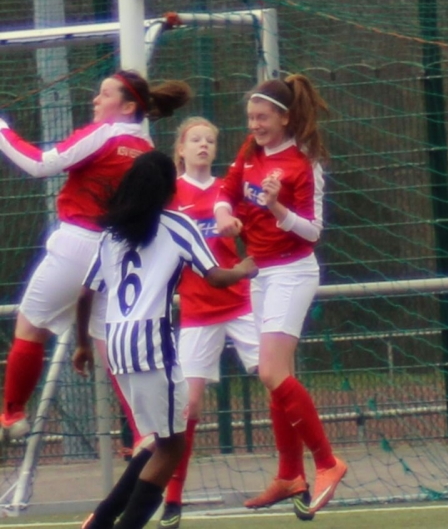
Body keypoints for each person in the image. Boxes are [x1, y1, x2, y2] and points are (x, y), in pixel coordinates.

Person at [0, 71, 191, 444]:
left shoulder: (105, 134)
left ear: (128, 106)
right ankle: (146, 435)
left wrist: (3, 131)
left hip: (78, 246)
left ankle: (12, 414)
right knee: (112, 350)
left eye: (104, 94)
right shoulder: (147, 148)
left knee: (30, 325)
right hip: (120, 255)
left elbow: (40, 164)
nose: (96, 100)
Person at [73, 150, 258, 529]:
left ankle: (100, 520)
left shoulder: (111, 235)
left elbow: (84, 294)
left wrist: (82, 345)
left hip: (118, 346)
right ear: (167, 187)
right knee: (173, 447)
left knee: (157, 440)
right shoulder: (177, 225)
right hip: (152, 346)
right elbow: (214, 276)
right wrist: (243, 268)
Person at [215, 75, 347, 516]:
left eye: (263, 117)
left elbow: (313, 232)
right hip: (261, 274)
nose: (255, 124)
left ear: (285, 118)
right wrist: (224, 216)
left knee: (272, 370)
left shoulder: (304, 163)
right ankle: (290, 474)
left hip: (292, 271)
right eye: (251, 117)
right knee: (275, 376)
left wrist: (276, 208)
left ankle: (327, 462)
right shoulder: (249, 151)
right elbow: (226, 192)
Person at [156, 117, 284, 528]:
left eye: (210, 140)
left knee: (278, 381)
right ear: (180, 149)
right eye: (195, 140)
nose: (203, 145)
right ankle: (173, 499)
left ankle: (294, 475)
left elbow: (260, 230)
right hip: (198, 310)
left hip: (241, 303)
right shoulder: (169, 195)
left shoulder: (228, 190)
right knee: (188, 405)